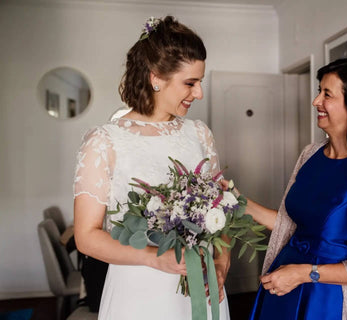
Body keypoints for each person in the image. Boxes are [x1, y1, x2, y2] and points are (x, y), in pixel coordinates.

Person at [73, 16, 230, 319]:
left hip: (204, 282)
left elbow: (219, 214)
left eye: (200, 82)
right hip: (140, 288)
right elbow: (86, 236)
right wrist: (154, 259)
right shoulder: (104, 141)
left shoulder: (200, 134)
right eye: (190, 83)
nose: (199, 93)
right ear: (156, 77)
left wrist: (221, 265)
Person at [245, 57, 347, 319]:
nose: (316, 101)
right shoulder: (310, 154)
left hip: (330, 298)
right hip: (285, 283)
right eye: (319, 91)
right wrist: (238, 203)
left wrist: (305, 273)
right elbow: (289, 225)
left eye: (326, 94)